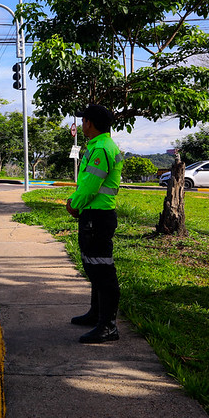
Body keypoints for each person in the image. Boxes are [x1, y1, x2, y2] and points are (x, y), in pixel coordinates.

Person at [65, 104, 124, 344]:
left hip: (97, 216)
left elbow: (91, 184)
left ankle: (108, 326)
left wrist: (74, 204)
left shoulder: (101, 149)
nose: (81, 124)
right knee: (93, 266)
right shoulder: (103, 145)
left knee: (101, 269)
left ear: (90, 123)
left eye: (83, 120)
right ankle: (96, 315)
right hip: (97, 214)